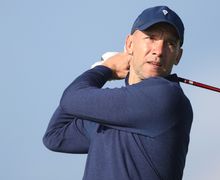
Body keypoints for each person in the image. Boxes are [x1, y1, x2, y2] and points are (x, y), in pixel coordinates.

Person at [43, 5, 193, 180]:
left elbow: (71, 99)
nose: (158, 51)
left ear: (178, 56)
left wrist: (104, 69)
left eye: (170, 43)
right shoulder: (117, 110)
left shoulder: (166, 97)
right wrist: (102, 72)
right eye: (151, 38)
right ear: (130, 44)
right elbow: (55, 136)